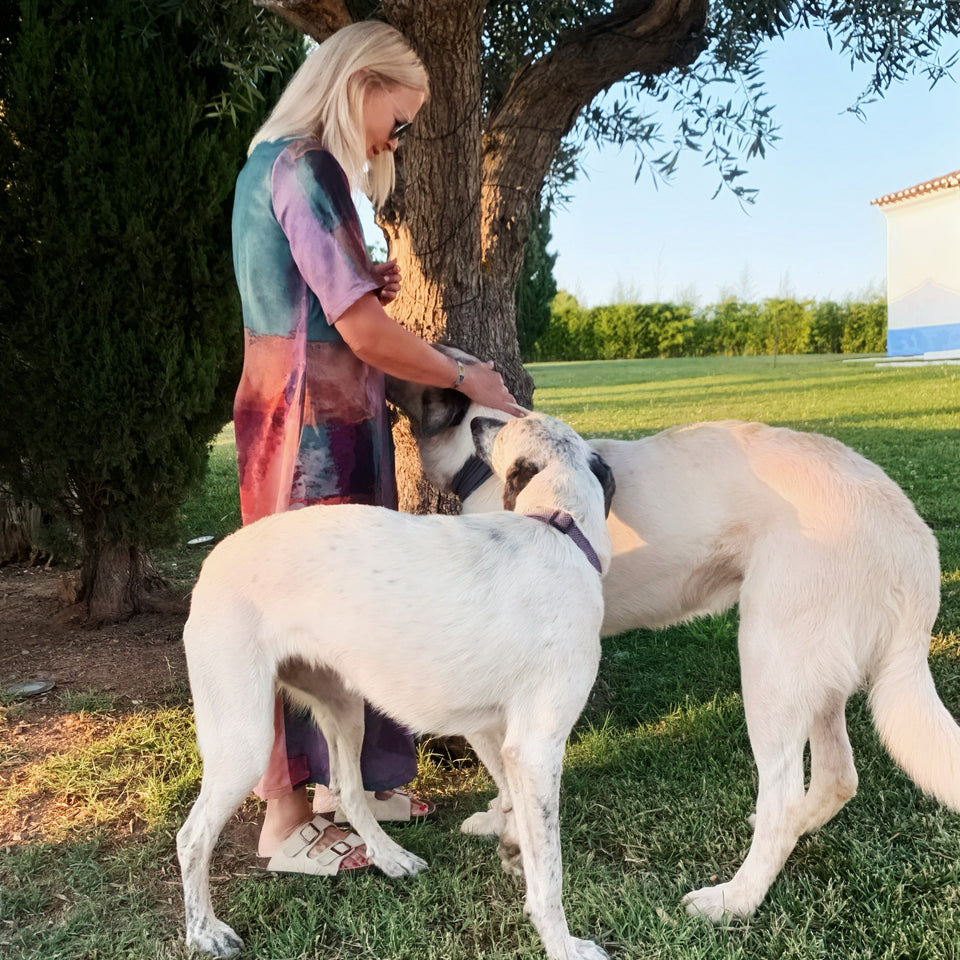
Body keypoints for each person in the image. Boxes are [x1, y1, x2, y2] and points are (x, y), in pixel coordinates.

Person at [230, 21, 521, 875]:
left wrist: (364, 280)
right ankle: (285, 824)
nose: (398, 137)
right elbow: (361, 332)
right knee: (295, 614)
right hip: (308, 425)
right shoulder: (305, 165)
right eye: (399, 117)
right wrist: (467, 378)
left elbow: (325, 302)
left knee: (347, 608)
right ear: (361, 82)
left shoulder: (276, 167)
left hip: (316, 415)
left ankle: (350, 787)